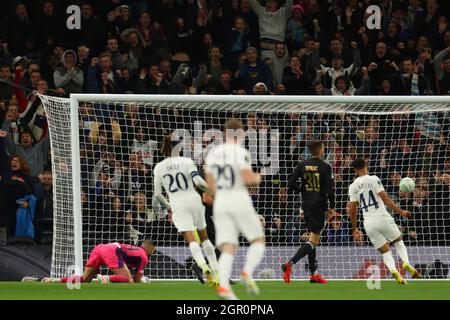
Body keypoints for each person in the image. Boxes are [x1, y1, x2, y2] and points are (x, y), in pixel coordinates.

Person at [205, 119, 265, 300]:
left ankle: (223, 287)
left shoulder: (212, 154)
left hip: (221, 201)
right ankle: (247, 272)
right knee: (258, 239)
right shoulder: (241, 152)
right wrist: (258, 177)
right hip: (238, 198)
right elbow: (248, 178)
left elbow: (210, 185)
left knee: (228, 246)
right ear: (239, 134)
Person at [153, 134, 219, 288]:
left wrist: (170, 208)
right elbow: (198, 182)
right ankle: (216, 272)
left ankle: (203, 267)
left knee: (192, 240)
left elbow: (157, 195)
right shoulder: (188, 162)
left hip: (178, 204)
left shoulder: (159, 167)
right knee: (205, 239)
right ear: (179, 148)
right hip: (194, 201)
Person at [347, 158, 422, 284]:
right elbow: (386, 200)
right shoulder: (374, 179)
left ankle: (394, 271)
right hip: (382, 217)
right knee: (398, 242)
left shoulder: (352, 186)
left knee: (385, 251)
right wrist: (401, 212)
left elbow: (352, 210)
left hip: (369, 223)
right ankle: (406, 263)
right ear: (366, 165)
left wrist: (354, 229)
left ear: (354, 170)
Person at [282, 141, 335, 284]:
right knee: (313, 240)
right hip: (319, 205)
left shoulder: (301, 165)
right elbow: (330, 189)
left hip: (306, 205)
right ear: (321, 151)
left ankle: (313, 274)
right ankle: (289, 265)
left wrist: (303, 190)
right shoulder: (326, 166)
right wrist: (332, 207)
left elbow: (291, 185)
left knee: (312, 237)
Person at [40, 241, 155, 283]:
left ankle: (54, 280)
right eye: (153, 251)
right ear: (149, 249)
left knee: (85, 279)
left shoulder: (135, 251)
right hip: (112, 250)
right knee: (128, 279)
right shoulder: (143, 256)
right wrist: (143, 280)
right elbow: (136, 280)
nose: (153, 253)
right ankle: (106, 278)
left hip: (100, 248)